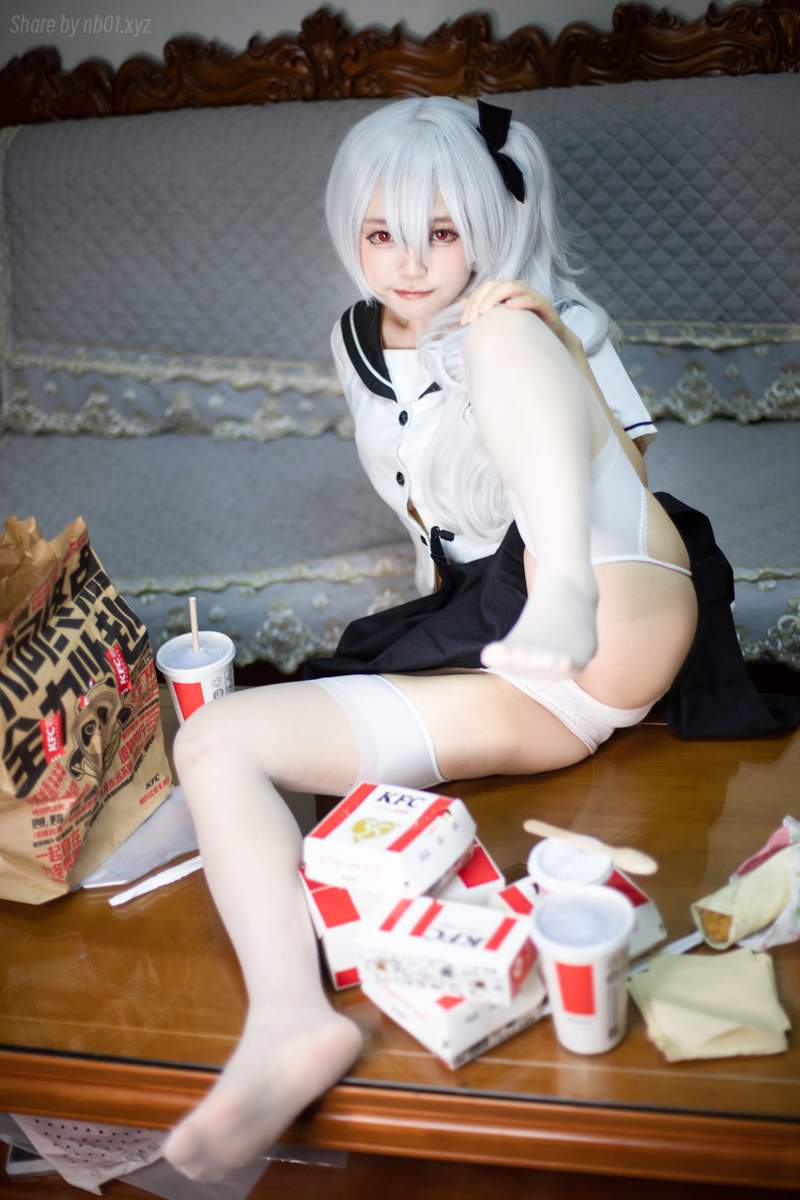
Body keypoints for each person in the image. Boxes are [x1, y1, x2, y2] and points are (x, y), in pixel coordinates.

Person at [161, 96, 701, 1182]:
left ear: (483, 228)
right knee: (214, 741)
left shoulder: (533, 313)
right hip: (516, 674)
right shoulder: (352, 339)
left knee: (500, 333)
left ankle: (558, 591)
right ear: (348, 234)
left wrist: (550, 335)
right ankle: (286, 1022)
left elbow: (630, 481)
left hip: (613, 595)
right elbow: (429, 522)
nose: (409, 265)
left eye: (441, 233)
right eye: (381, 235)